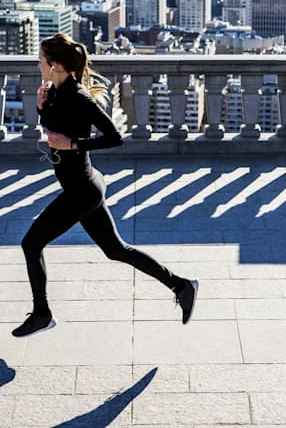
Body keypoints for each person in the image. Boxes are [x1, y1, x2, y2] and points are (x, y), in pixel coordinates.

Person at [12, 33, 198, 338]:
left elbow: (114, 137)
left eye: (41, 60)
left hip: (82, 191)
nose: (37, 64)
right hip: (84, 187)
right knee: (115, 249)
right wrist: (42, 108)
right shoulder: (55, 92)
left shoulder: (78, 97)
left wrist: (73, 144)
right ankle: (182, 285)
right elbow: (55, 130)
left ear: (55, 64)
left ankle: (42, 314)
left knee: (31, 244)